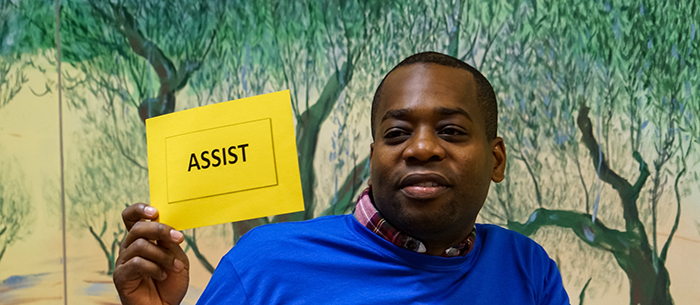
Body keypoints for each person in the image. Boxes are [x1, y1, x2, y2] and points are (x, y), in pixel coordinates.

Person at [113, 52, 570, 304]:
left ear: (496, 160)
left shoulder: (528, 271)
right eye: (396, 133)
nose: (421, 148)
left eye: (450, 131)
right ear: (375, 157)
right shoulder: (263, 266)